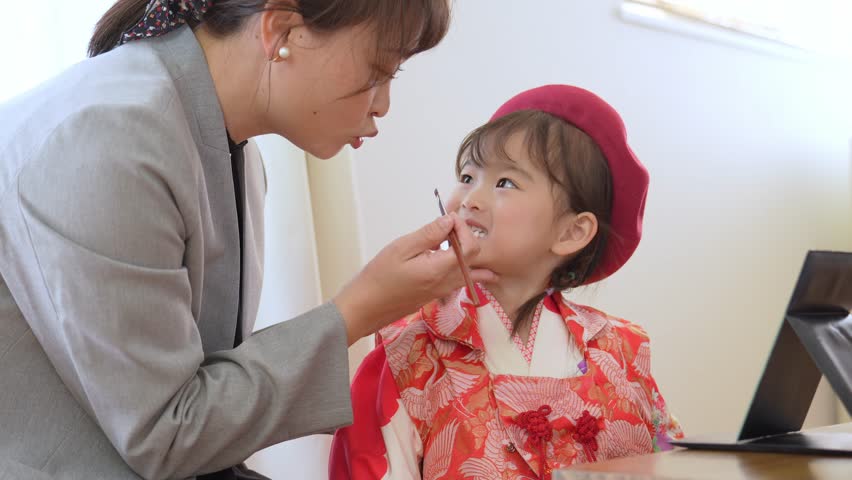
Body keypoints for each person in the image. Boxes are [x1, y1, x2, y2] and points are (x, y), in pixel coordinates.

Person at [0, 1, 499, 479]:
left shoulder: (227, 149)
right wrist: (357, 311)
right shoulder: (111, 139)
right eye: (378, 70)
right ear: (280, 31)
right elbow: (168, 432)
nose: (385, 104)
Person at [329, 85, 685, 479]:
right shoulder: (407, 355)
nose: (470, 199)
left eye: (505, 183)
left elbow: (671, 464)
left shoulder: (623, 352)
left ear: (571, 232)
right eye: (466, 176)